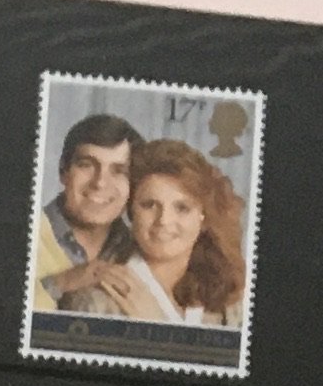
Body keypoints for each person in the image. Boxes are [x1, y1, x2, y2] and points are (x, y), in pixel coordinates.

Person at [44, 136, 245, 328]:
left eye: (182, 208)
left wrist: (159, 322)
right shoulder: (93, 301)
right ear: (131, 212)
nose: (164, 220)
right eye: (149, 205)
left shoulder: (229, 300)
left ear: (203, 216)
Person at [30, 108, 138, 309]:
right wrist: (60, 283)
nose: (100, 183)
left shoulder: (138, 251)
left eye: (118, 171)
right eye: (87, 165)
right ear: (63, 171)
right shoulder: (26, 235)